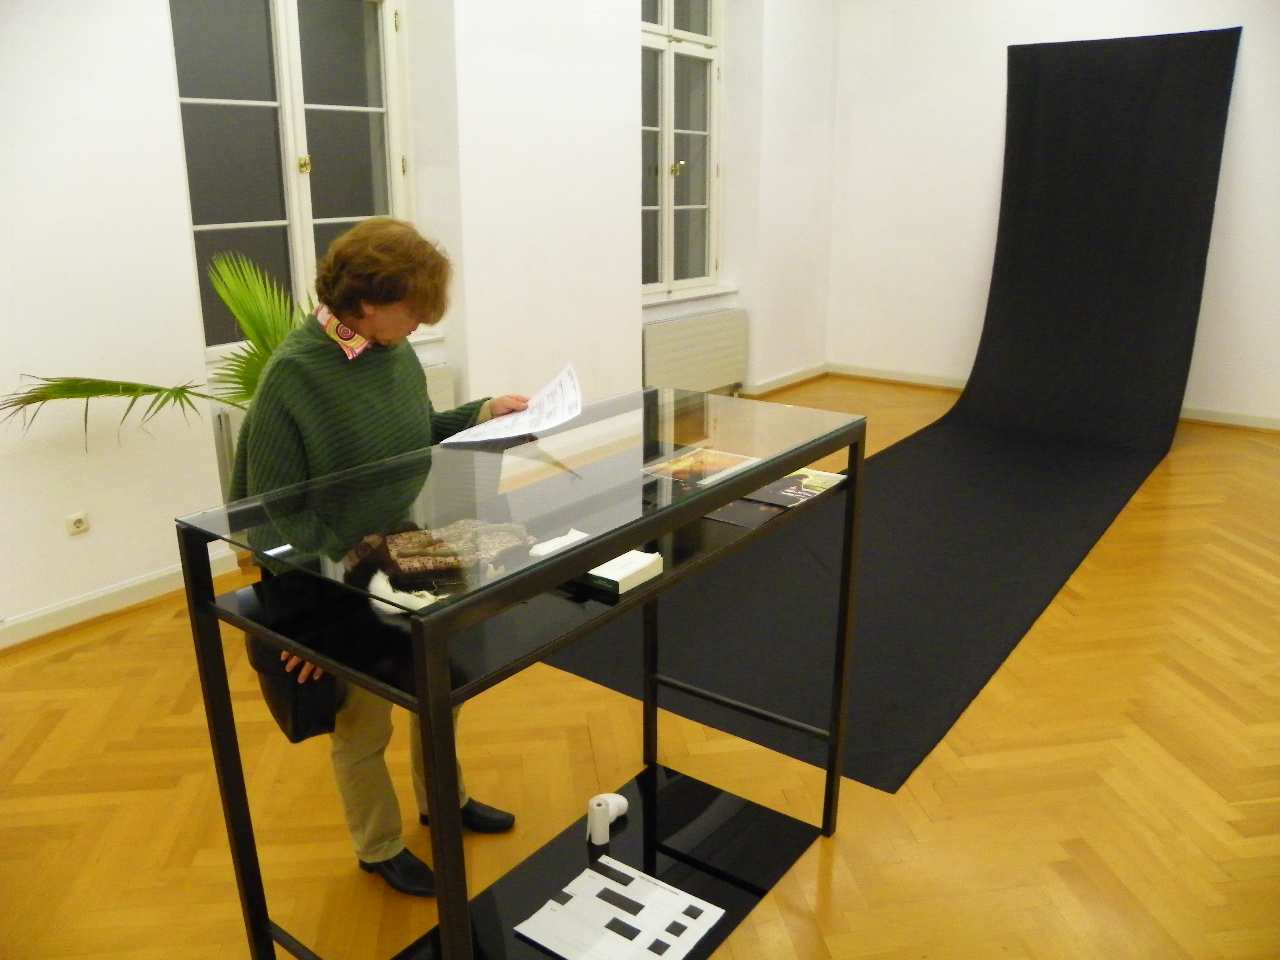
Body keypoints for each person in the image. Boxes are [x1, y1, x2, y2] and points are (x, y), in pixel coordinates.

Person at [229, 217, 529, 897]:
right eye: (412, 307)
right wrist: (316, 619)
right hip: (332, 570)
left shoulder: (392, 350)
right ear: (366, 302)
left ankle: (444, 801)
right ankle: (379, 845)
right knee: (364, 720)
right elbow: (270, 517)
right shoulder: (294, 376)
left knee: (441, 686)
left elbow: (412, 435)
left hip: (401, 543)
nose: (422, 321)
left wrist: (483, 412)